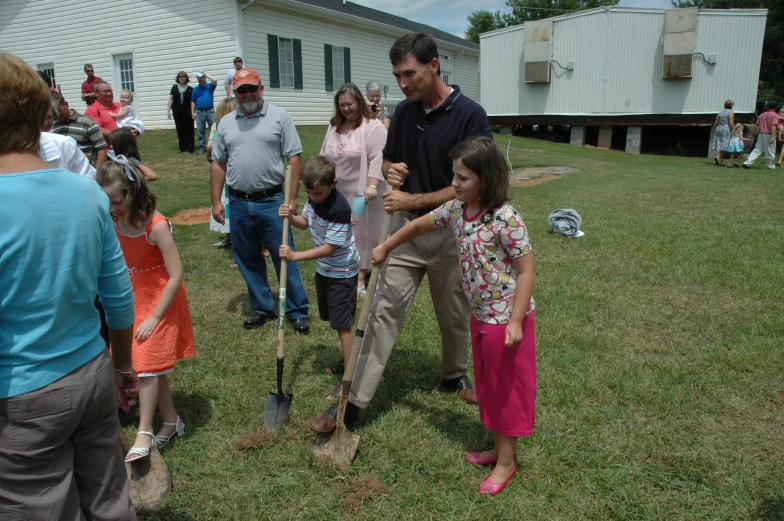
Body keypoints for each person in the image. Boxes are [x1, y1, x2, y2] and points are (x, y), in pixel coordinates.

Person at [311, 32, 492, 433]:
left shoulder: (470, 115)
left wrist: (413, 199)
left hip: (451, 232)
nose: (403, 83)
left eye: (409, 73)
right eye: (398, 76)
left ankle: (452, 374)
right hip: (405, 233)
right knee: (381, 311)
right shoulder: (406, 113)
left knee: (454, 311)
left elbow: (473, 184)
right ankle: (352, 404)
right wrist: (392, 170)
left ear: (434, 65)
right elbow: (391, 158)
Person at [0, 51, 138, 520]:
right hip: (92, 373)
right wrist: (122, 367)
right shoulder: (84, 191)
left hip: (21, 396)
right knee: (110, 501)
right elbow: (118, 297)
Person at [372, 136, 535, 496]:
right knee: (488, 388)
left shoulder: (506, 218)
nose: (455, 184)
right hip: (480, 316)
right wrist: (386, 245)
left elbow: (526, 272)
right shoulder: (457, 210)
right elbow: (417, 226)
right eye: (454, 176)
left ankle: (507, 463)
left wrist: (516, 321)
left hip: (506, 321)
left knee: (505, 390)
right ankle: (497, 449)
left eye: (462, 178)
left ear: (488, 179)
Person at [96, 157, 197, 463]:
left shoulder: (157, 225)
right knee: (149, 364)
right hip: (132, 300)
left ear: (132, 192)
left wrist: (155, 317)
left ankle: (144, 431)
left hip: (161, 301)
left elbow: (176, 274)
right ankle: (171, 420)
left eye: (117, 201)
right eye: (107, 203)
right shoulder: (114, 224)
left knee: (144, 363)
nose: (113, 209)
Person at [210, 68, 311, 333]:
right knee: (247, 256)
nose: (247, 94)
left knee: (284, 256)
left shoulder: (279, 116)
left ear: (261, 88)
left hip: (272, 200)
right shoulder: (226, 123)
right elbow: (218, 163)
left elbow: (294, 157)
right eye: (241, 90)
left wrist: (292, 198)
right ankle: (263, 307)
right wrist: (216, 202)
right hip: (239, 202)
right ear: (234, 93)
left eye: (252, 88)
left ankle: (297, 310)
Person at [279, 156, 359, 387]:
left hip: (341, 272)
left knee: (342, 324)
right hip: (325, 270)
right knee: (334, 319)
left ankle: (349, 378)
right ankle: (348, 362)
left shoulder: (339, 209)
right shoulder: (314, 198)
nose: (314, 198)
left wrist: (295, 256)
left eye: (319, 193)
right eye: (310, 193)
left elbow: (329, 248)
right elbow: (305, 222)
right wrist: (290, 217)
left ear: (333, 184)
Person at [320, 83, 387, 303]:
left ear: (359, 102)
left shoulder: (372, 126)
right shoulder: (334, 126)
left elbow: (378, 158)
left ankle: (361, 276)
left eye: (349, 104)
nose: (346, 109)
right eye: (341, 105)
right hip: (338, 192)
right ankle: (343, 267)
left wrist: (372, 186)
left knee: (362, 231)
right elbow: (324, 155)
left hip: (362, 193)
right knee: (341, 231)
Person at [208, 97, 238, 247]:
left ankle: (238, 237)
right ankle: (228, 235)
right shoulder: (217, 127)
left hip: (234, 173)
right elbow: (210, 147)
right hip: (222, 172)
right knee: (223, 202)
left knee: (233, 204)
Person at [51, 91, 108, 166]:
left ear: (66, 104)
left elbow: (102, 148)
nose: (57, 115)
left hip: (87, 171)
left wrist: (98, 172)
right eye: (54, 113)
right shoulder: (52, 127)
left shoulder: (87, 122)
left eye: (59, 110)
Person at [743, 103, 781, 170]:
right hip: (769, 134)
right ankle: (771, 165)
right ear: (776, 107)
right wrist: (774, 136)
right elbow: (773, 126)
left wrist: (752, 134)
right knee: (770, 150)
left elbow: (756, 125)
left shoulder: (762, 114)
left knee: (757, 149)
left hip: (761, 134)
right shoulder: (775, 115)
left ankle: (747, 162)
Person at [85, 81, 121, 147]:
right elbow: (97, 130)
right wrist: (122, 136)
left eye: (110, 91)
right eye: (105, 91)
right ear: (96, 93)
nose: (109, 93)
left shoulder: (119, 105)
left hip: (128, 149)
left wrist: (136, 130)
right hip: (110, 151)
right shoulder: (92, 110)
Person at [191, 71, 218, 153]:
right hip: (199, 112)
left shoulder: (209, 86)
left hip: (210, 111)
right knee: (200, 130)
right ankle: (202, 147)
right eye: (198, 78)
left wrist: (205, 73)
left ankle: (215, 146)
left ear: (205, 78)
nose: (199, 79)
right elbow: (193, 101)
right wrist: (193, 112)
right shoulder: (195, 89)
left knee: (214, 129)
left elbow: (215, 80)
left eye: (201, 77)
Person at [168, 71, 195, 153]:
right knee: (180, 130)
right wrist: (168, 110)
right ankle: (182, 148)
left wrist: (193, 112)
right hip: (177, 112)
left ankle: (190, 148)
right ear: (178, 78)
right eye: (180, 76)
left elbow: (193, 102)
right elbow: (171, 99)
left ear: (186, 78)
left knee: (189, 130)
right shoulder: (174, 87)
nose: (182, 78)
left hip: (188, 113)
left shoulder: (191, 89)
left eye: (183, 76)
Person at [711, 100, 734, 166]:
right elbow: (730, 122)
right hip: (725, 129)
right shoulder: (731, 112)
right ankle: (718, 157)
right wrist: (734, 128)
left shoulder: (720, 112)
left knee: (721, 145)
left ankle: (722, 162)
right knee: (725, 145)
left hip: (719, 128)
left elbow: (716, 122)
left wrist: (714, 129)